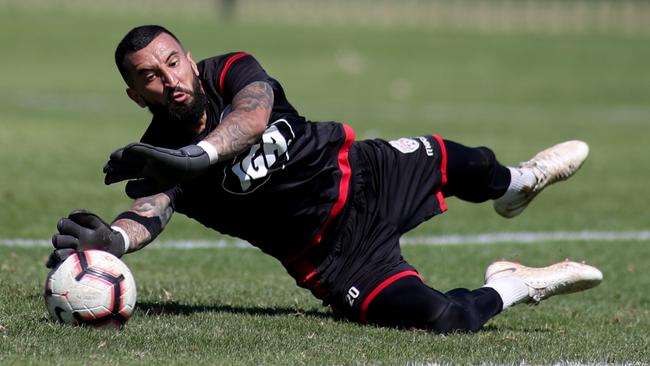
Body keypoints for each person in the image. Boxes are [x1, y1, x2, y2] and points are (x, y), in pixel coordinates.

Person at [48, 25, 602, 333]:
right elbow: (150, 212)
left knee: (473, 164)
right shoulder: (158, 157)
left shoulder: (232, 70)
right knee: (445, 319)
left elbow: (252, 116)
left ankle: (519, 183)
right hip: (333, 259)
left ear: (190, 59)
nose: (169, 80)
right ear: (134, 93)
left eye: (172, 61)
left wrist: (196, 157)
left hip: (365, 175)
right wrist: (112, 242)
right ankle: (515, 282)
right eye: (149, 75)